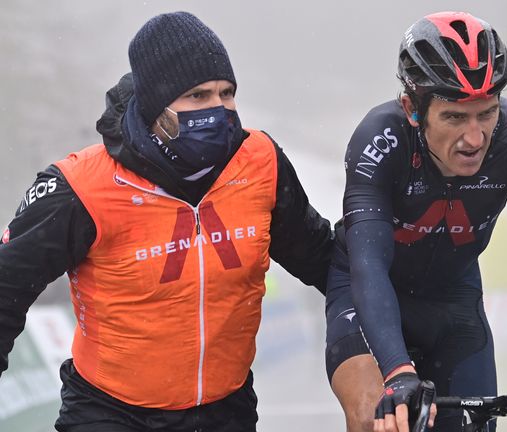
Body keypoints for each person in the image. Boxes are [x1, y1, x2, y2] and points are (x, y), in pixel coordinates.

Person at [0, 11, 333, 432]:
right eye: (197, 96)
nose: (218, 109)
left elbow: (323, 259)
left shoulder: (261, 162)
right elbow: (5, 290)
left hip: (225, 410)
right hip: (110, 413)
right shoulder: (80, 186)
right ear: (156, 105)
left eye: (226, 93)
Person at [324, 11, 507, 432]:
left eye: (487, 113)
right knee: (381, 416)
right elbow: (369, 265)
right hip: (370, 293)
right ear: (413, 108)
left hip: (454, 297)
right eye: (454, 117)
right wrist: (397, 371)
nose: (475, 137)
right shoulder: (379, 138)